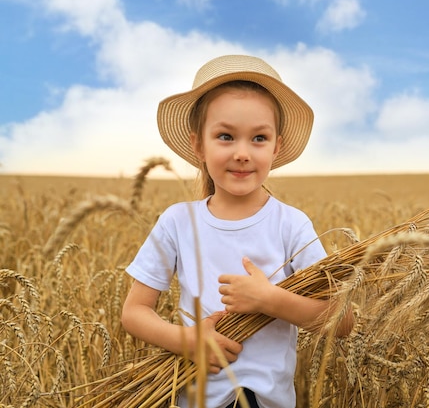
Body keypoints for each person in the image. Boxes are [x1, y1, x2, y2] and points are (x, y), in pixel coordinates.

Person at [121, 54, 353, 408]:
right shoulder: (177, 221)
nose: (242, 153)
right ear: (199, 144)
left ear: (277, 146)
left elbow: (342, 320)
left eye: (258, 138)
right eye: (226, 136)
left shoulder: (290, 225)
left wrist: (269, 299)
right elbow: (134, 312)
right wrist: (188, 341)